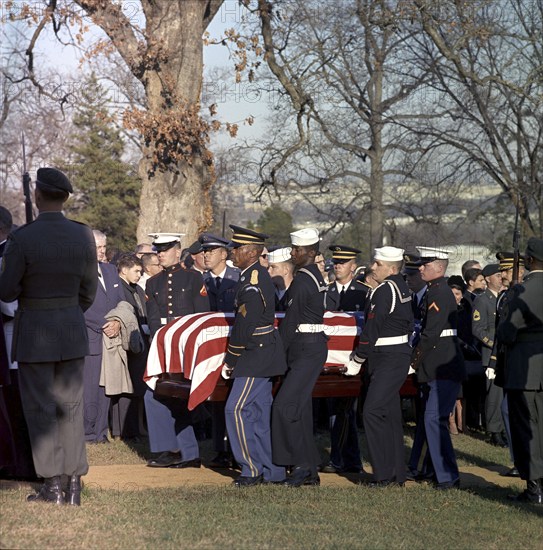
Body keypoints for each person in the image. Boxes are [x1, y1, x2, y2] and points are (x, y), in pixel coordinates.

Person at [0, 167, 98, 505]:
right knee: (70, 408)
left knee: (41, 411)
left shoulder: (22, 238)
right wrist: (67, 312)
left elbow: (7, 290)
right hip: (71, 330)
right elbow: (89, 291)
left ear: (38, 196)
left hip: (35, 333)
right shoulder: (83, 235)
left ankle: (53, 485)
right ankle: (74, 486)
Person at [222, 225, 287, 486]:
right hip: (265, 353)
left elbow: (244, 327)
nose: (232, 252)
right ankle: (272, 471)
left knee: (235, 409)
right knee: (258, 414)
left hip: (254, 355)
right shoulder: (252, 276)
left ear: (250, 252)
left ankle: (251, 469)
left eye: (236, 248)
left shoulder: (252, 280)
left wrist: (231, 358)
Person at [348, 246, 413, 486]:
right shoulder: (402, 287)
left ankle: (384, 474)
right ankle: (396, 474)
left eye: (378, 264)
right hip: (396, 354)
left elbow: (372, 328)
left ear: (392, 268)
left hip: (386, 356)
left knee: (373, 412)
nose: (372, 267)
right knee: (390, 414)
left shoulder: (385, 290)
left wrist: (358, 358)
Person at [144, 233, 209, 468]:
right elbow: (153, 320)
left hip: (187, 350)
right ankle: (172, 449)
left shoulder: (193, 279)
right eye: (158, 249)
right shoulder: (152, 283)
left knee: (179, 397)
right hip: (163, 350)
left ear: (178, 250)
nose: (160, 253)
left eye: (165, 249)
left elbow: (202, 317)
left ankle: (185, 452)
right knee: (155, 395)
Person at [272, 228, 328, 487]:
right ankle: (309, 470)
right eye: (293, 249)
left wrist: (275, 358)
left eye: (299, 250)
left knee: (286, 407)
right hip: (310, 346)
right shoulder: (313, 275)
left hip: (305, 347)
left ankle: (299, 465)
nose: (293, 253)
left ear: (312, 252)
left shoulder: (303, 280)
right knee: (301, 410)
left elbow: (290, 323)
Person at [410, 246, 466, 489]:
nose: (420, 267)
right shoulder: (435, 290)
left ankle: (447, 475)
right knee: (432, 418)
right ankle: (432, 470)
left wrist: (413, 362)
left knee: (434, 418)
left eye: (426, 264)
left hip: (442, 365)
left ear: (440, 267)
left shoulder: (439, 292)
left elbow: (431, 334)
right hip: (438, 364)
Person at [498, 237, 543, 504]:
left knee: (526, 428)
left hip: (523, 369)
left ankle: (534, 488)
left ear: (528, 261)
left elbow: (507, 332)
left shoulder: (522, 291)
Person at [323, 245, 367, 474]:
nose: (338, 265)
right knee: (339, 410)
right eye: (336, 262)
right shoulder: (325, 292)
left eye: (343, 262)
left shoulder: (364, 292)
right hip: (330, 362)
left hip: (354, 361)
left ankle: (339, 459)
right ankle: (352, 460)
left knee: (343, 409)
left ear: (353, 266)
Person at [199, 232, 240, 469]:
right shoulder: (202, 281)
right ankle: (220, 449)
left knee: (234, 398)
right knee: (216, 399)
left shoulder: (237, 278)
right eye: (204, 251)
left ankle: (236, 448)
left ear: (224, 254)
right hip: (212, 347)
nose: (205, 255)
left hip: (234, 345)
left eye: (211, 251)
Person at [83, 230, 124, 443]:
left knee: (106, 388)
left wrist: (117, 321)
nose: (102, 251)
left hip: (111, 340)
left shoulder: (110, 270)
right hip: (90, 339)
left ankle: (101, 432)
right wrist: (104, 324)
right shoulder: (78, 273)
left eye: (104, 247)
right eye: (98, 247)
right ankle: (87, 433)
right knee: (89, 389)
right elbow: (80, 307)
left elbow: (121, 301)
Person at [111, 253, 150, 441]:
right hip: (125, 345)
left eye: (141, 271)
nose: (139, 275)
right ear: (124, 270)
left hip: (140, 343)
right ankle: (125, 430)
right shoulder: (118, 290)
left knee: (137, 388)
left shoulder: (137, 289)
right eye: (136, 271)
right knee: (126, 389)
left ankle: (136, 428)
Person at [472, 264, 507, 447]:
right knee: (494, 395)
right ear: (487, 279)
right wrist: (495, 345)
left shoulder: (503, 297)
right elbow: (478, 329)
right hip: (491, 354)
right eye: (497, 275)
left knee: (504, 393)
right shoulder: (482, 300)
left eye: (501, 274)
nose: (500, 277)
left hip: (505, 354)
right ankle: (494, 430)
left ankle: (503, 428)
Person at [267, 247, 294, 311]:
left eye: (273, 267)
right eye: (268, 267)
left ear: (286, 270)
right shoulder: (268, 292)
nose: (268, 271)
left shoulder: (297, 291)